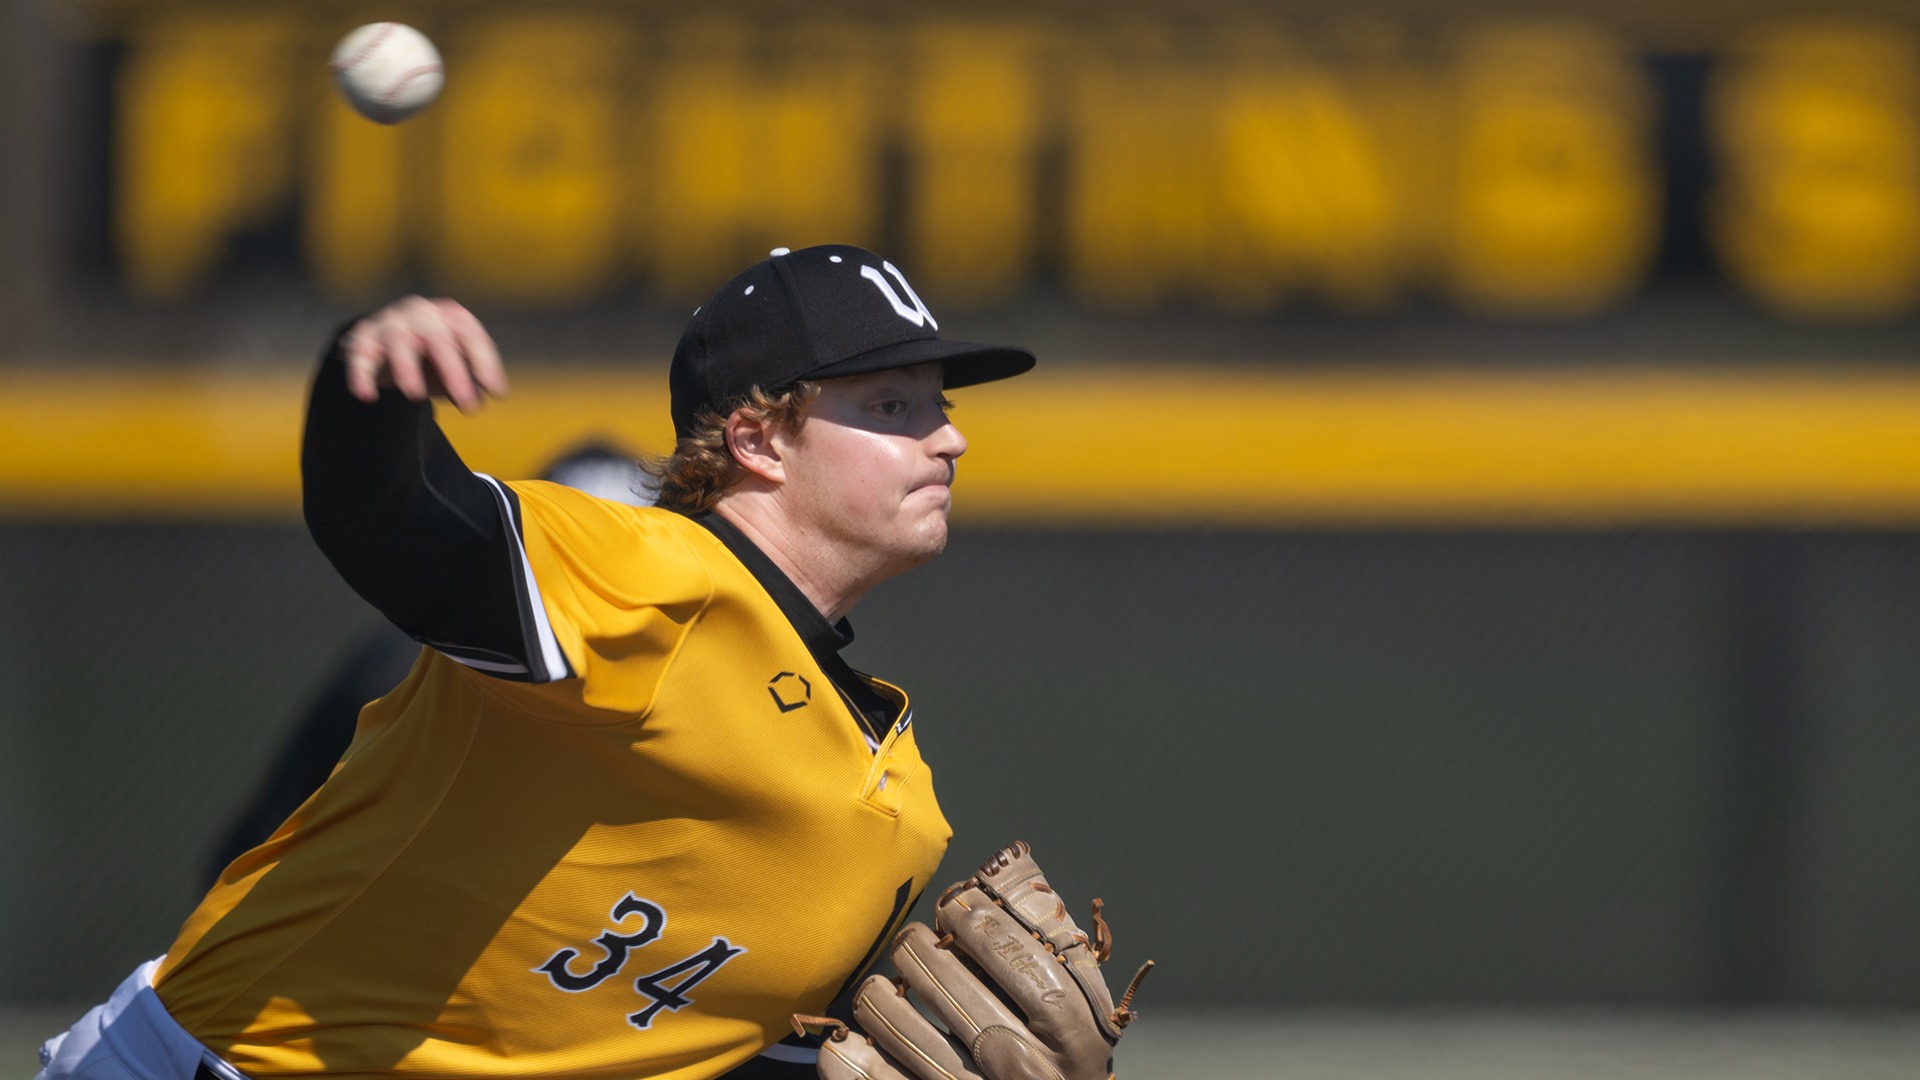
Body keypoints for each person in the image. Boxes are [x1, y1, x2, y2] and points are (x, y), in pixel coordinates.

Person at [36, 244, 1035, 1080]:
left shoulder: (902, 808)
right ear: (758, 437)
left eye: (938, 405)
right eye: (895, 407)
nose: (949, 437)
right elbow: (400, 529)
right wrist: (370, 385)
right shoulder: (644, 579)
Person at [201, 440, 657, 890]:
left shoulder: (687, 692)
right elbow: (263, 838)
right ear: (522, 550)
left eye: (617, 559)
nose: (598, 586)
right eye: (574, 551)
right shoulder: (407, 667)